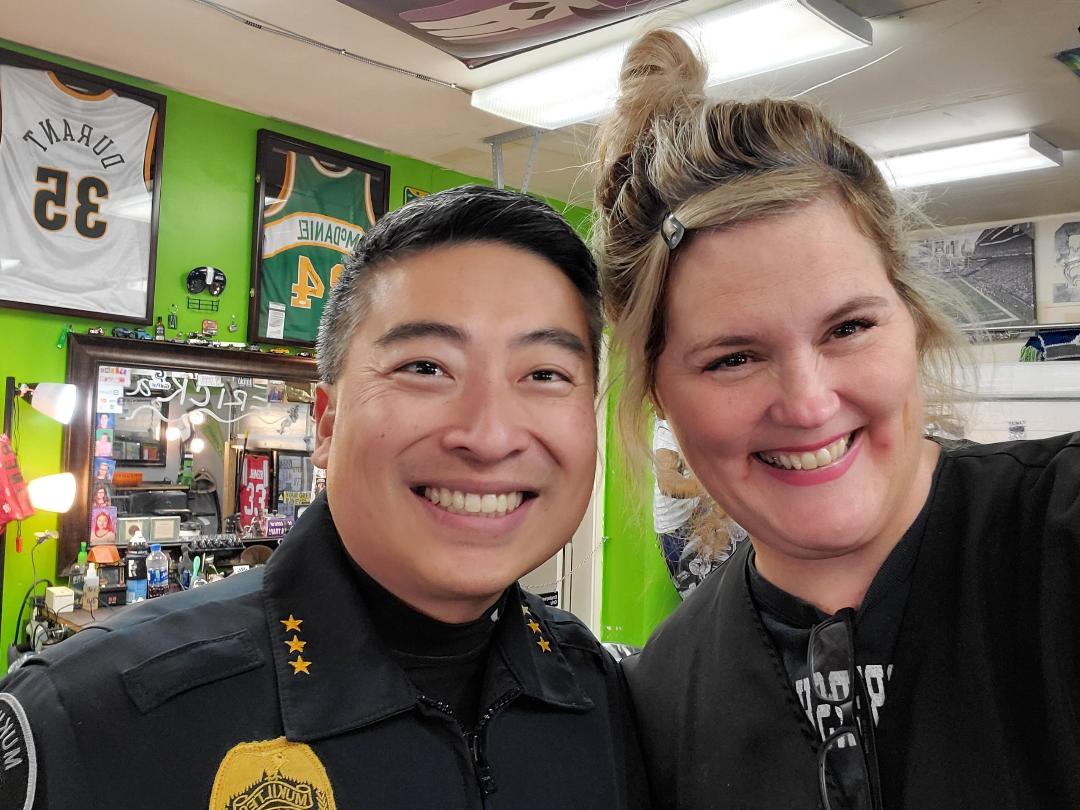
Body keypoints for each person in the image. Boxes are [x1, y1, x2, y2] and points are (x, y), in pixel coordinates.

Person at [0, 186, 645, 809]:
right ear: (328, 423)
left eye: (544, 374)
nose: (489, 436)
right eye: (425, 367)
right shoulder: (85, 721)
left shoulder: (606, 697)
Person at [592, 29, 1080, 808]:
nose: (810, 403)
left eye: (848, 327)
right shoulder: (662, 698)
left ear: (912, 320)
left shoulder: (1058, 538)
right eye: (733, 358)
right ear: (657, 394)